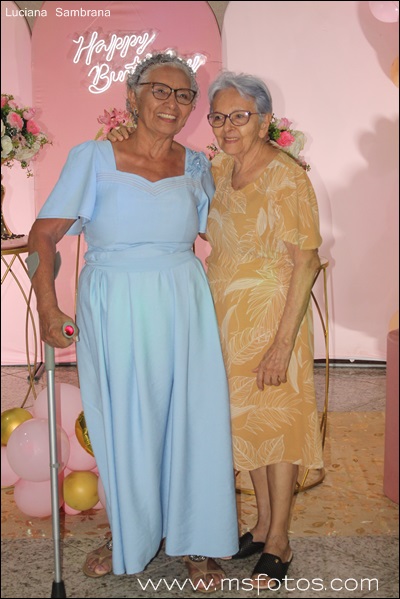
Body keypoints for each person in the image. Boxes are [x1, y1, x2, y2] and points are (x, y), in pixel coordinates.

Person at [26, 53, 239, 592]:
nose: (172, 103)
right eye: (159, 91)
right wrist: (48, 306)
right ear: (132, 97)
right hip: (114, 303)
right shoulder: (94, 157)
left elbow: (225, 233)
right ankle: (129, 534)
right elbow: (44, 234)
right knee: (124, 422)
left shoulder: (197, 167)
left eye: (184, 95)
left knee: (191, 419)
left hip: (183, 302)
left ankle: (195, 539)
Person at [109, 70, 324, 590]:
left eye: (240, 117)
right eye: (219, 117)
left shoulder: (287, 177)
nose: (228, 127)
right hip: (224, 323)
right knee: (248, 426)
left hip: (273, 322)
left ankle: (279, 542)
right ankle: (260, 526)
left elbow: (307, 262)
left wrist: (282, 345)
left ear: (264, 121)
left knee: (278, 430)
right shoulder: (218, 170)